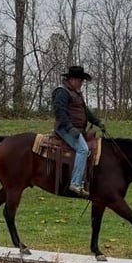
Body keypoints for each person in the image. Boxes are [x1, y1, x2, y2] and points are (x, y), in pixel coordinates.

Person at [53, 65, 106, 198]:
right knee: (83, 149)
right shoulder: (62, 92)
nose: (82, 83)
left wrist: (97, 122)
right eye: (80, 80)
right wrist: (70, 128)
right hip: (65, 129)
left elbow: (85, 111)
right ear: (72, 79)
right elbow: (60, 111)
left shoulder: (75, 93)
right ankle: (75, 183)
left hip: (76, 129)